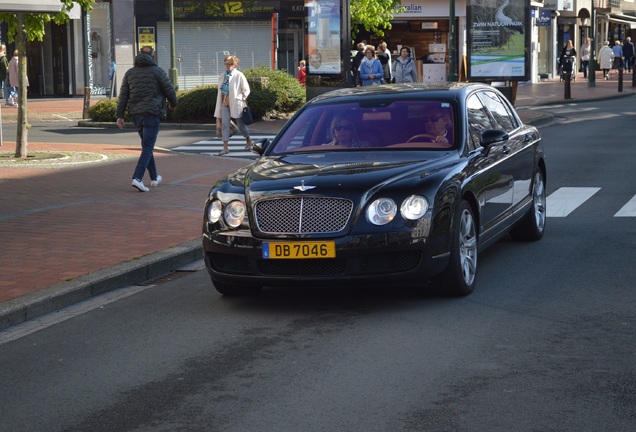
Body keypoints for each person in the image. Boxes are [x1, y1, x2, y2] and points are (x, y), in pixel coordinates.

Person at [116, 45, 177, 192]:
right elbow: (169, 89)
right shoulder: (158, 71)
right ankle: (137, 178)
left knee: (146, 146)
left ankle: (155, 177)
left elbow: (123, 95)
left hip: (136, 114)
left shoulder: (130, 73)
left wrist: (120, 115)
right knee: (148, 147)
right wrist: (173, 104)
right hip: (152, 113)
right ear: (153, 56)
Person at [213, 55, 252, 156]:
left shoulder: (239, 75)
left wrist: (241, 98)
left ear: (234, 64)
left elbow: (246, 89)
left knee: (240, 124)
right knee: (225, 125)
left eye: (230, 63)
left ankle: (248, 140)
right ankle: (225, 148)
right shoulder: (222, 75)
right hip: (224, 103)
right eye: (226, 63)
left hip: (236, 103)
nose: (228, 65)